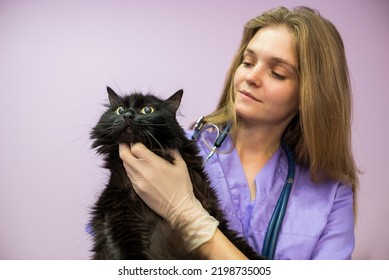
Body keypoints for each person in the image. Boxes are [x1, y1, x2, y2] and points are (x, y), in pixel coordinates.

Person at [119, 6, 359, 259]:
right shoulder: (166, 151)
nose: (251, 77)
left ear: (308, 95)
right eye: (248, 62)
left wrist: (186, 214)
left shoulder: (332, 194)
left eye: (277, 73)